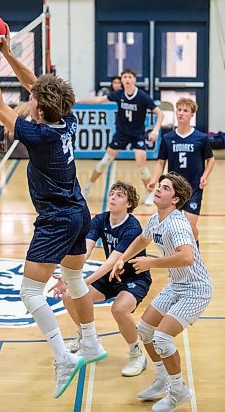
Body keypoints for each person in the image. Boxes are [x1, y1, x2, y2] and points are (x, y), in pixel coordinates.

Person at [0, 28, 107, 399]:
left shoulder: (38, 134)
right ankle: (92, 343)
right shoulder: (66, 118)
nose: (31, 99)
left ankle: (63, 356)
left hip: (56, 218)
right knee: (75, 279)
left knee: (30, 292)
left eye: (34, 101)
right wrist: (7, 53)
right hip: (79, 210)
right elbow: (39, 88)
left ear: (37, 110)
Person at [110, 172, 212, 411]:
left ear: (175, 199)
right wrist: (123, 258)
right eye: (159, 185)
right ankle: (163, 378)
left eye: (165, 188)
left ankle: (178, 391)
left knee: (162, 339)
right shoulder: (157, 218)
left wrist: (150, 263)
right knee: (144, 331)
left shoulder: (176, 224)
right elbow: (143, 240)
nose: (157, 188)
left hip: (195, 290)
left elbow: (186, 257)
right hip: (177, 285)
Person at [51, 182, 152, 377]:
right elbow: (84, 253)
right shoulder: (100, 220)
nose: (112, 197)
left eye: (119, 195)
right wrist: (66, 278)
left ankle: (136, 354)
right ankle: (87, 338)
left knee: (119, 309)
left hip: (134, 278)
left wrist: (82, 283)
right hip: (111, 278)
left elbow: (110, 263)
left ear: (129, 203)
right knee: (70, 297)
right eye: (112, 193)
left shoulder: (132, 227)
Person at [81, 69, 163, 205]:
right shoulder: (118, 94)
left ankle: (150, 193)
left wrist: (155, 130)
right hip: (122, 133)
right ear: (122, 80)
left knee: (141, 165)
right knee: (103, 163)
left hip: (137, 134)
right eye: (124, 77)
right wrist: (79, 101)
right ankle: (87, 188)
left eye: (130, 76)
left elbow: (160, 113)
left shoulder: (142, 97)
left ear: (134, 79)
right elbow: (100, 100)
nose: (127, 79)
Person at [148, 98, 214, 244]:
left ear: (192, 115)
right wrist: (154, 180)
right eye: (179, 110)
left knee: (190, 225)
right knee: (171, 225)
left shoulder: (201, 138)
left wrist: (205, 176)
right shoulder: (167, 138)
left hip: (194, 187)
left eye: (185, 111)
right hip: (174, 188)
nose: (181, 113)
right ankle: (176, 253)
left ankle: (195, 251)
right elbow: (161, 162)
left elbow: (211, 159)